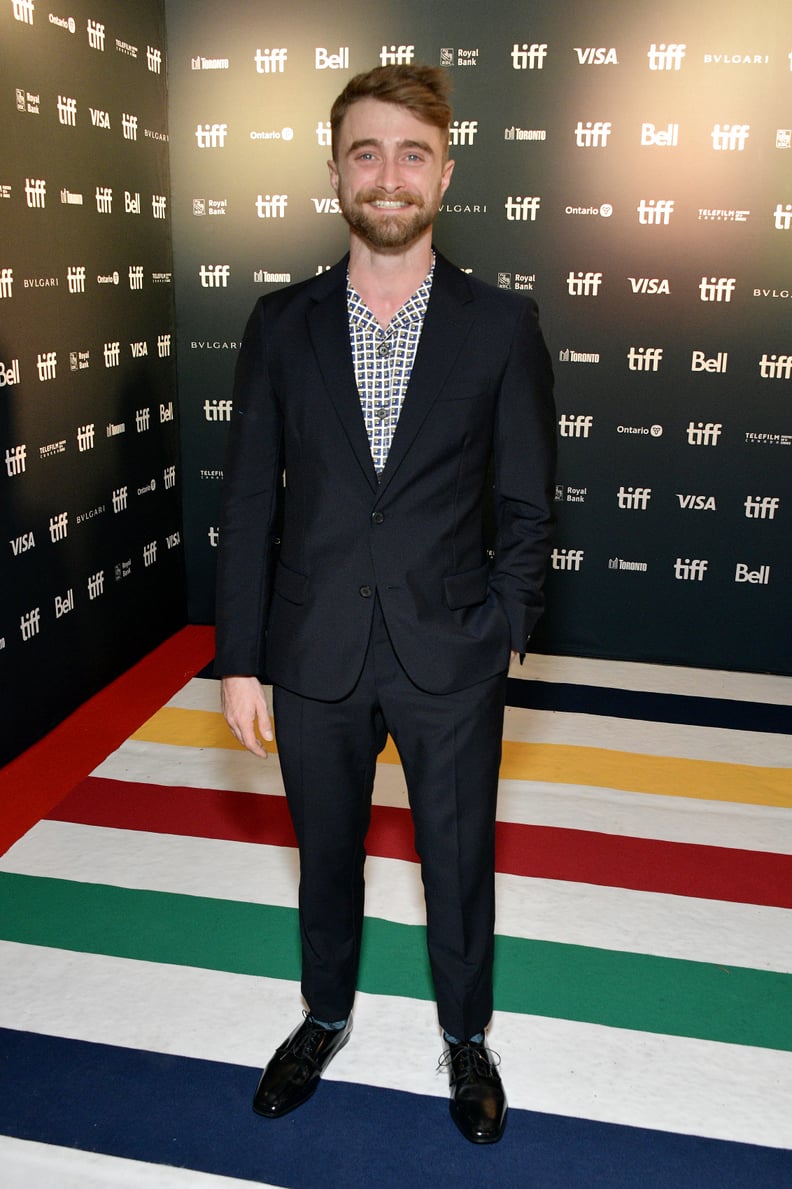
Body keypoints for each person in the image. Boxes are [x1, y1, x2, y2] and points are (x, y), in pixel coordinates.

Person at [215, 64, 556, 1145]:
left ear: (445, 173)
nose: (389, 173)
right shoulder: (281, 323)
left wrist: (505, 628)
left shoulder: (501, 325)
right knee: (326, 852)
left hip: (450, 647)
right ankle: (323, 1016)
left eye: (412, 153)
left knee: (458, 860)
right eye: (367, 152)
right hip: (313, 648)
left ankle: (466, 1038)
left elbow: (527, 502)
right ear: (335, 174)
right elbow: (246, 500)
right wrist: (238, 657)